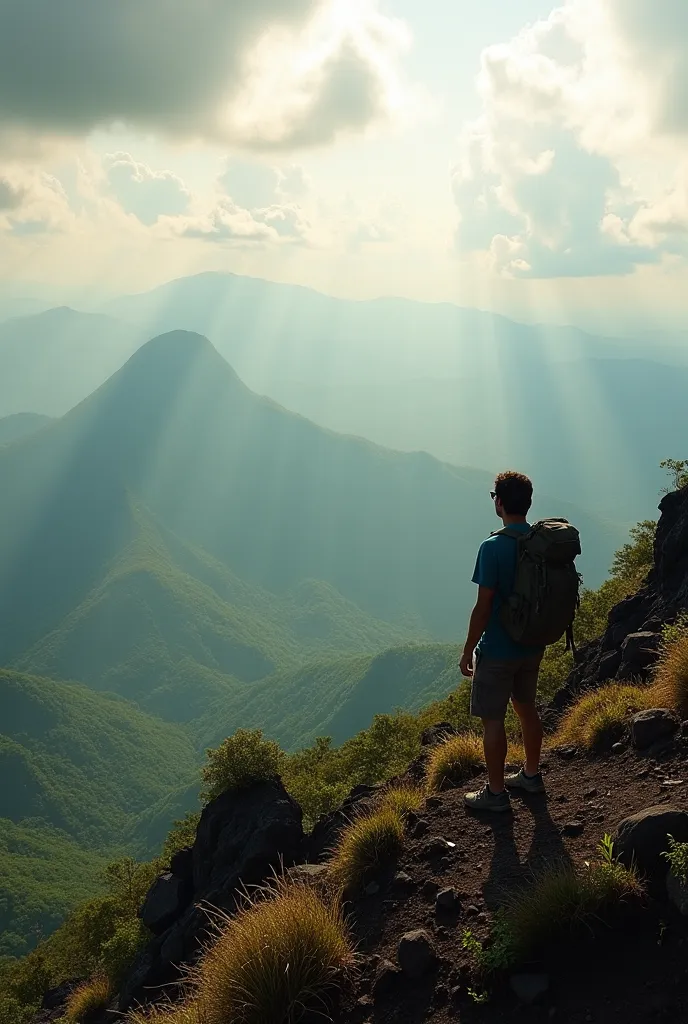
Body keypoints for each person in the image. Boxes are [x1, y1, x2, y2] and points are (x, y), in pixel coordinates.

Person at [459, 471, 546, 812]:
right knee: (527, 709)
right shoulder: (541, 542)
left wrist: (468, 651)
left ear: (498, 501)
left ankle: (495, 795)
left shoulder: (493, 547)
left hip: (497, 650)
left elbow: (483, 609)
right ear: (528, 502)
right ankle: (532, 775)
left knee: (492, 720)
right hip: (533, 645)